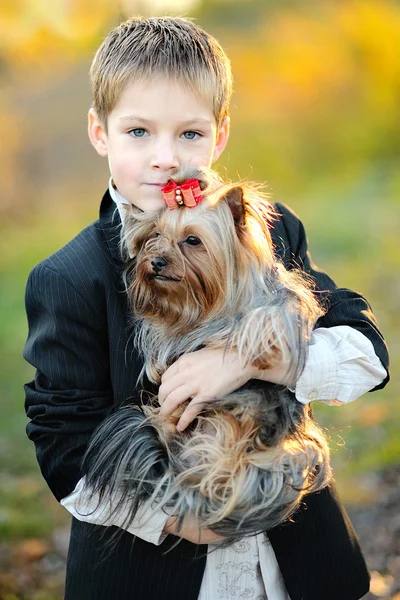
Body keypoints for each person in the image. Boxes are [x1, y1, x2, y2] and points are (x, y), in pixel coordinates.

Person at [23, 16, 389, 600]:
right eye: (139, 132)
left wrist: (251, 361)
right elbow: (62, 443)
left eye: (188, 135)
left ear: (219, 135)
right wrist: (177, 520)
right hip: (149, 571)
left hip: (296, 558)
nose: (165, 159)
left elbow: (369, 355)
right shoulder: (69, 278)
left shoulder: (267, 231)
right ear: (100, 132)